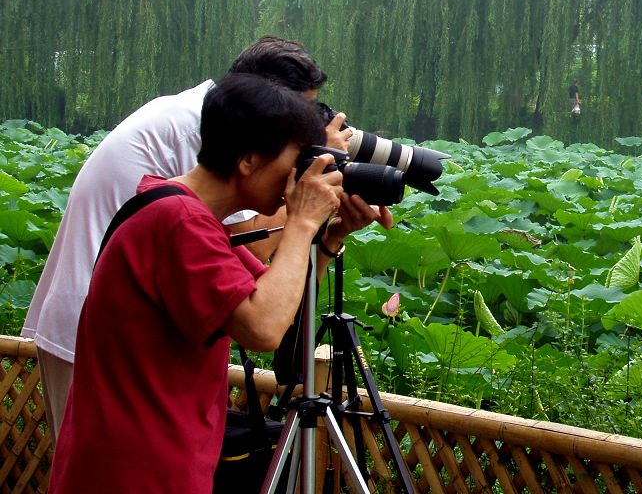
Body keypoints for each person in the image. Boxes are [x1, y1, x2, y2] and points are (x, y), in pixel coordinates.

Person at [21, 36, 386, 441]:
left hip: (136, 342)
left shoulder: (198, 149)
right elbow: (259, 280)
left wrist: (327, 237)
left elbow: (266, 289)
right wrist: (305, 212)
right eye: (304, 117)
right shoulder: (190, 180)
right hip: (112, 352)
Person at [47, 73, 354, 493]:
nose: (294, 182)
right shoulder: (180, 223)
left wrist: (327, 239)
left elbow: (278, 299)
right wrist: (301, 223)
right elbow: (263, 328)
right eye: (294, 162)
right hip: (137, 472)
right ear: (248, 159)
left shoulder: (176, 208)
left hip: (144, 462)